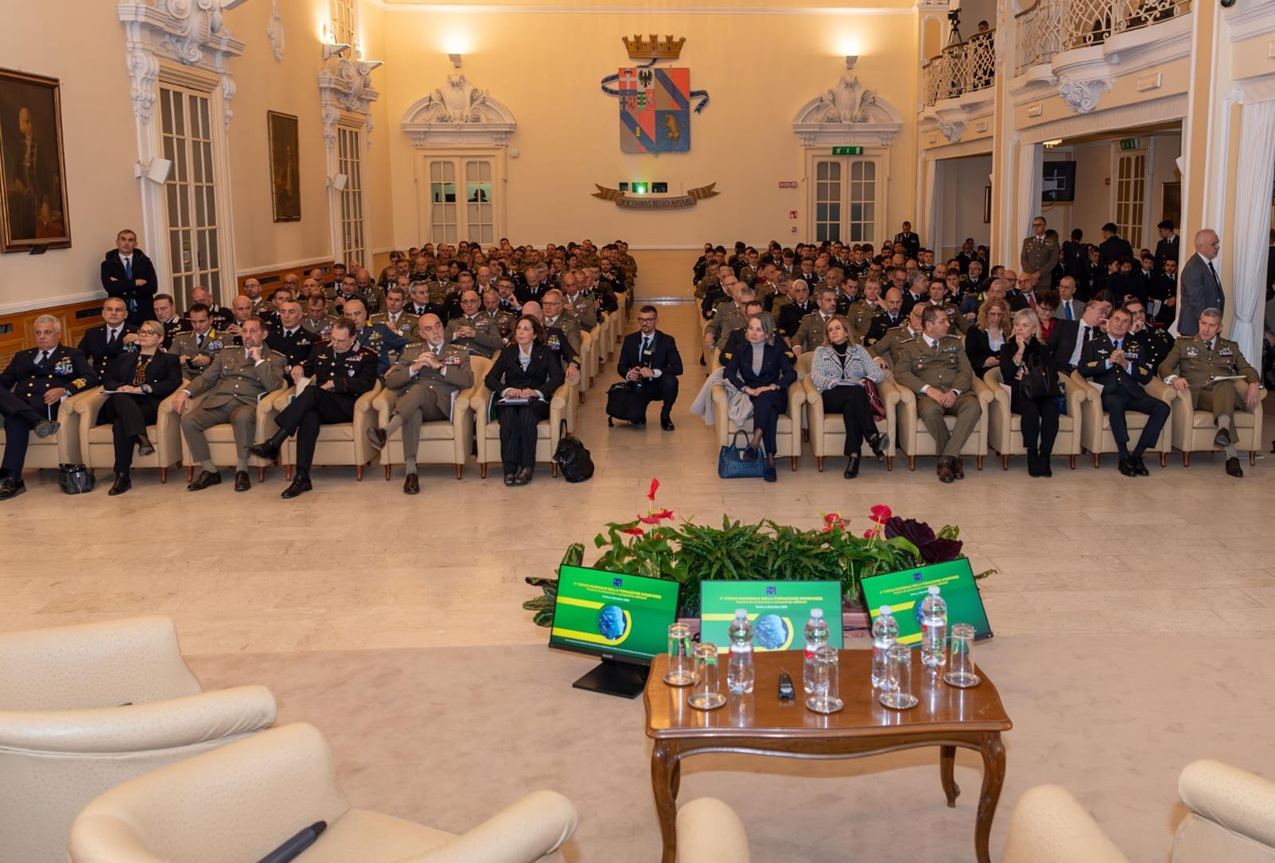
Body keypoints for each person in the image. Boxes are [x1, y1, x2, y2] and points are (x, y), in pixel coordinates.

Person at [248, 318, 378, 498]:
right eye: (333, 338)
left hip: (346, 406)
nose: (335, 344)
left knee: (311, 392)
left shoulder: (367, 355)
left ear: (353, 338)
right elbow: (307, 368)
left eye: (341, 341)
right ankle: (302, 477)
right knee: (309, 416)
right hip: (320, 403)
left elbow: (366, 383)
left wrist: (336, 383)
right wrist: (298, 368)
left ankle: (275, 442)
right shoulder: (321, 349)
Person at [170, 317, 286, 492]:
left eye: (253, 331)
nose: (248, 335)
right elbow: (207, 378)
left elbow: (274, 386)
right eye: (244, 331)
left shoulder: (275, 358)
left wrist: (259, 361)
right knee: (189, 420)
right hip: (219, 402)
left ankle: (242, 471)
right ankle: (210, 470)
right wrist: (185, 392)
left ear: (264, 334)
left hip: (246, 404)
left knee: (244, 416)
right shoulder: (227, 353)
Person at [367, 314, 473, 495]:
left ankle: (386, 431)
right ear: (422, 334)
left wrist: (439, 366)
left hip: (441, 405)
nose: (436, 331)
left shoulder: (459, 352)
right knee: (413, 411)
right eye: (429, 329)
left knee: (418, 390)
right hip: (413, 405)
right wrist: (413, 368)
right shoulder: (411, 352)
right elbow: (391, 382)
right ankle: (411, 473)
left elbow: (468, 380)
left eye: (438, 326)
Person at [0, 316, 97, 500]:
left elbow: (90, 377)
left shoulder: (72, 354)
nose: (42, 337)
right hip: (21, 405)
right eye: (38, 333)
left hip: (47, 407)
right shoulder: (22, 356)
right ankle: (37, 423)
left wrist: (65, 389)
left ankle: (13, 478)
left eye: (47, 332)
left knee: (14, 420)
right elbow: (5, 382)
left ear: (58, 334)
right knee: (14, 415)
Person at [1159, 308, 1261, 477]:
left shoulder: (1230, 347)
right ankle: (1229, 450)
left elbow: (1247, 369)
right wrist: (1174, 378)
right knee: (1225, 391)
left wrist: (1254, 384)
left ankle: (1225, 436)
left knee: (1225, 384)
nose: (1206, 329)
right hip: (1199, 396)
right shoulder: (1183, 344)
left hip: (1224, 393)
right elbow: (1164, 366)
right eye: (1203, 323)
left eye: (1212, 325)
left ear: (1219, 328)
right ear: (1199, 323)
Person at [1077, 306, 1169, 478]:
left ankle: (1138, 455)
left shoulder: (1135, 346)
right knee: (1116, 402)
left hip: (1133, 394)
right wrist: (1108, 362)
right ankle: (1123, 456)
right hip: (1108, 394)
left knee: (1162, 407)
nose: (1119, 324)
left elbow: (1146, 375)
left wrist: (1126, 364)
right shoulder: (1094, 345)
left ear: (1129, 326)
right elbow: (1082, 369)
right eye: (1117, 319)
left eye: (1125, 321)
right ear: (1109, 321)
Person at [893, 306, 980, 483]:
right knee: (931, 412)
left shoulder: (955, 343)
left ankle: (946, 460)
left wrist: (954, 392)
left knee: (973, 407)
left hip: (956, 394)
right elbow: (901, 373)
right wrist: (927, 389)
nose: (948, 324)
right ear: (929, 325)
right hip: (928, 397)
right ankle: (954, 460)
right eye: (942, 321)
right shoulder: (910, 346)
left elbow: (966, 371)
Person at [95, 320, 182, 495]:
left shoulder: (169, 360)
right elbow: (108, 379)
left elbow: (173, 383)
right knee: (121, 397)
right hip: (118, 403)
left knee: (120, 425)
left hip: (146, 404)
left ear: (160, 338)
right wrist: (120, 387)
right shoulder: (125, 357)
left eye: (149, 333)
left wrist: (146, 388)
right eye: (142, 332)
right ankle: (141, 437)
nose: (143, 335)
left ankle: (122, 476)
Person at [484, 316, 565, 486]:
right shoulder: (508, 352)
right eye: (519, 328)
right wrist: (506, 390)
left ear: (535, 334)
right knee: (508, 417)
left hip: (535, 401)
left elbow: (558, 376)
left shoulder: (546, 352)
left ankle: (527, 466)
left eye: (526, 329)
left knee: (526, 415)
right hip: (511, 399)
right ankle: (509, 469)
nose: (520, 332)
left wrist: (537, 392)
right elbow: (490, 378)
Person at [809, 317, 888, 478]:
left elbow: (878, 373)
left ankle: (854, 456)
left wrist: (865, 379)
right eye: (830, 330)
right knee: (856, 392)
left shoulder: (858, 350)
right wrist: (838, 382)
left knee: (851, 406)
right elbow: (816, 377)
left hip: (853, 399)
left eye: (837, 328)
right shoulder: (821, 351)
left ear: (846, 332)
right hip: (831, 395)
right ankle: (873, 437)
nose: (833, 332)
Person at [723, 314, 797, 483]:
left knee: (766, 399)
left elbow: (791, 373)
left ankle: (755, 444)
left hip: (775, 394)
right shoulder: (741, 350)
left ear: (767, 333)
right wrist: (745, 388)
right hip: (754, 394)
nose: (753, 333)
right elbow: (729, 372)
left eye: (758, 330)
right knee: (768, 409)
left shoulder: (776, 350)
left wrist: (773, 386)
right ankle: (770, 460)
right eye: (751, 328)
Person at [1001, 309, 1060, 477]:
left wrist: (1030, 376)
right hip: (1019, 392)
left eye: (1025, 325)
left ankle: (1045, 456)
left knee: (1051, 409)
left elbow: (1053, 374)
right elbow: (1007, 373)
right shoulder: (1007, 347)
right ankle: (1032, 455)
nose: (1019, 329)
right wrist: (1020, 350)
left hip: (1040, 391)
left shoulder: (1042, 349)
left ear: (1034, 329)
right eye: (1017, 325)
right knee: (1031, 410)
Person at [616, 305, 683, 431]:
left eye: (648, 320)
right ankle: (639, 411)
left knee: (671, 381)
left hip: (658, 384)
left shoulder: (667, 340)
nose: (644, 323)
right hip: (638, 386)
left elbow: (678, 368)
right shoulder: (630, 340)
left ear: (656, 321)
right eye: (641, 319)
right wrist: (629, 374)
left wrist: (653, 372)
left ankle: (665, 415)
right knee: (635, 418)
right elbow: (621, 366)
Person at [100, 229, 158, 326]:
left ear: (135, 244)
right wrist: (134, 283)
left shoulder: (145, 262)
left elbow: (152, 287)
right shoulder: (108, 264)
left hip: (144, 311)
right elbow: (110, 287)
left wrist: (122, 286)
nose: (126, 243)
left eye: (130, 240)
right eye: (123, 239)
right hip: (119, 313)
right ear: (117, 242)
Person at [1177, 230, 1226, 336]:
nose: (1217, 247)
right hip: (1196, 328)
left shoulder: (1204, 264)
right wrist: (1208, 326)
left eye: (1217, 243)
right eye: (1213, 244)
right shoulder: (1194, 267)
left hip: (1205, 326)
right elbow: (1196, 301)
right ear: (1201, 246)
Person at [78, 297, 138, 378]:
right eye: (109, 309)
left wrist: (138, 339)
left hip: (124, 379)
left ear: (126, 314)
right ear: (103, 313)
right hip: (98, 379)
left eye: (118, 310)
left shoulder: (137, 332)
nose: (113, 313)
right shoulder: (92, 333)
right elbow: (80, 358)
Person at [966, 298, 1011, 378]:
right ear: (985, 314)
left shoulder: (1009, 331)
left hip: (1006, 371)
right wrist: (984, 362)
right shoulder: (974, 331)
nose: (996, 318)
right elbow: (969, 358)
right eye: (992, 314)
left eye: (999, 314)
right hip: (982, 371)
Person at [1021, 216, 1060, 283]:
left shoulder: (1052, 242)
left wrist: (1040, 273)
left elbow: (1053, 260)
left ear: (1044, 226)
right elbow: (1023, 259)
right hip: (1030, 278)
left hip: (1044, 278)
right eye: (1034, 225)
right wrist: (1032, 274)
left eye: (1038, 225)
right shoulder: (1027, 241)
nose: (1036, 227)